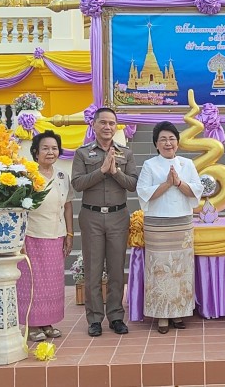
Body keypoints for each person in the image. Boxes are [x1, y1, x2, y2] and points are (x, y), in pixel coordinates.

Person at [72, 107, 138, 337]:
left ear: (116, 126)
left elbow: (132, 184)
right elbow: (77, 184)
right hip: (91, 217)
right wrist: (101, 170)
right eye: (103, 123)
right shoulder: (82, 153)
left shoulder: (126, 153)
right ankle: (94, 319)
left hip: (118, 216)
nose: (107, 127)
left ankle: (116, 316)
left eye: (112, 123)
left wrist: (115, 172)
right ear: (94, 125)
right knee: (93, 269)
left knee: (117, 269)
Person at [136, 121, 203, 334]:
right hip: (157, 225)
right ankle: (161, 315)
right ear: (156, 144)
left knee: (181, 270)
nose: (168, 143)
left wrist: (179, 183)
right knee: (159, 270)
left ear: (178, 142)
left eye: (172, 138)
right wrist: (166, 184)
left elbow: (196, 191)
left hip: (182, 224)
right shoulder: (149, 165)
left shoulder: (187, 164)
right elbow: (144, 192)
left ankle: (179, 313)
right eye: (163, 139)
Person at [18, 130, 74, 341]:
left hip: (56, 234)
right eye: (45, 148)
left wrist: (69, 233)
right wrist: (20, 237)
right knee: (32, 281)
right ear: (35, 152)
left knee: (52, 282)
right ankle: (32, 325)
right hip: (32, 235)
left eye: (54, 148)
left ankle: (47, 322)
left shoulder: (62, 175)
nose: (50, 152)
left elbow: (67, 205)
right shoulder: (27, 176)